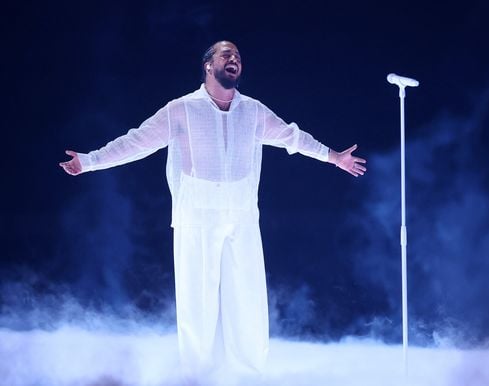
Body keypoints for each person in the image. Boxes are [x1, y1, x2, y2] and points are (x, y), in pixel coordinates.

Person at [60, 40, 366, 383]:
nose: (234, 59)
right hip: (197, 213)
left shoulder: (253, 111)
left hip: (241, 213)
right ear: (208, 65)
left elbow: (292, 137)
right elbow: (137, 142)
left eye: (238, 56)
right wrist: (89, 162)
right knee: (197, 300)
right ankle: (198, 375)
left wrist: (333, 156)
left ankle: (248, 374)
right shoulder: (182, 109)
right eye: (226, 54)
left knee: (248, 298)